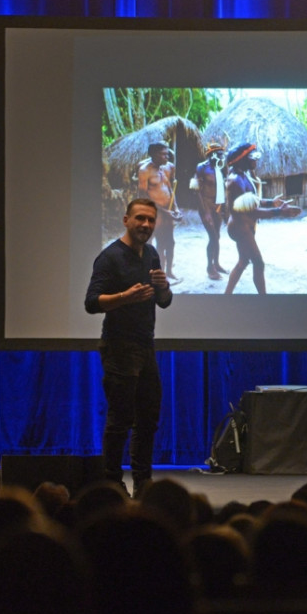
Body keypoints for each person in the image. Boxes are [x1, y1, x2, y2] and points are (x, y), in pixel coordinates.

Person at [84, 198, 173, 497]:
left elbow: (164, 301)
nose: (145, 225)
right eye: (140, 219)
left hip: (146, 347)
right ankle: (111, 482)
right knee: (121, 419)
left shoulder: (151, 254)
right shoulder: (109, 257)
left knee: (148, 419)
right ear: (126, 220)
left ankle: (143, 482)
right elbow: (91, 303)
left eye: (150, 220)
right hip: (119, 347)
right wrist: (124, 296)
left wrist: (163, 286)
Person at [222, 142, 293, 295]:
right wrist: (278, 212)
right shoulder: (235, 180)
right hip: (240, 228)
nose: (256, 161)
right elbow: (252, 212)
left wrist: (271, 202)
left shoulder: (242, 176)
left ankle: (227, 295)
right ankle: (263, 298)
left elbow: (250, 200)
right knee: (258, 263)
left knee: (243, 262)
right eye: (252, 158)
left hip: (244, 226)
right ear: (242, 160)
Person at [136, 140, 180, 281]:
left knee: (170, 242)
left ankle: (168, 272)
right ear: (154, 154)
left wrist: (176, 208)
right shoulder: (144, 171)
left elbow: (170, 190)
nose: (166, 157)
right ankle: (153, 275)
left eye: (167, 154)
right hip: (154, 214)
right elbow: (143, 196)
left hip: (167, 212)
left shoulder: (168, 168)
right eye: (163, 154)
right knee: (152, 245)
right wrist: (162, 211)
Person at [194, 142, 229, 280]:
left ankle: (217, 264)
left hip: (218, 206)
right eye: (219, 154)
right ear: (212, 154)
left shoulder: (221, 167)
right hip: (206, 206)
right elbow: (196, 191)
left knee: (217, 236)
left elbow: (223, 188)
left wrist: (225, 209)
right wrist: (206, 212)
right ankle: (210, 268)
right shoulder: (201, 168)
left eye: (222, 154)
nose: (222, 156)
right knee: (213, 237)